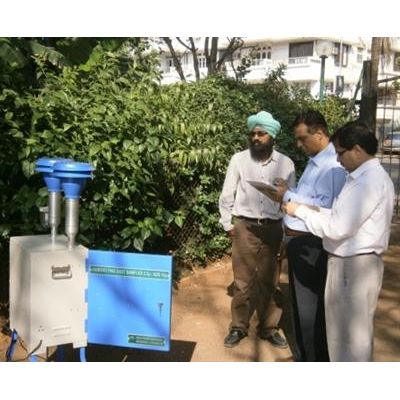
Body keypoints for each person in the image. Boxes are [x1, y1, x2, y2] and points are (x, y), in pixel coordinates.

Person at [284, 120, 395, 362]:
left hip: (353, 265)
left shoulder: (367, 182)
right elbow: (339, 216)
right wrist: (310, 209)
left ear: (357, 150)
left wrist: (300, 212)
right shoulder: (362, 178)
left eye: (340, 153)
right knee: (345, 336)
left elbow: (337, 228)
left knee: (349, 340)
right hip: (350, 263)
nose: (337, 159)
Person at [266, 109, 346, 361]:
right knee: (301, 306)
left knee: (312, 308)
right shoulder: (316, 162)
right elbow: (309, 198)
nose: (299, 145)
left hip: (313, 243)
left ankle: (315, 360)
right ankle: (303, 355)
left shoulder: (333, 166)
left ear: (320, 133)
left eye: (303, 139)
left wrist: (288, 196)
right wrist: (289, 192)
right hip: (299, 240)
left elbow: (326, 209)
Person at [219, 110, 296, 348]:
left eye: (261, 134)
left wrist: (287, 232)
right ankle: (238, 327)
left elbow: (291, 201)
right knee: (242, 281)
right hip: (245, 227)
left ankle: (268, 328)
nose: (256, 138)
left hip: (274, 229)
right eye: (253, 133)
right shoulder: (239, 160)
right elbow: (227, 193)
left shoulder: (286, 163)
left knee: (270, 281)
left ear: (272, 136)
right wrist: (227, 223)